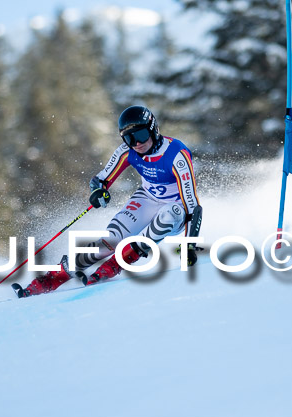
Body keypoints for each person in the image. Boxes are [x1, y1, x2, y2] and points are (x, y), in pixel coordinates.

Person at [13, 105, 203, 297]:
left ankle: (114, 265)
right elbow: (100, 180)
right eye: (129, 138)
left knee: (170, 215)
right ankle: (51, 279)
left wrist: (190, 244)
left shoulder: (176, 155)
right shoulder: (127, 151)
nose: (136, 143)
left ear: (153, 129)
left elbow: (192, 205)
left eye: (142, 135)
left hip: (176, 207)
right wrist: (98, 192)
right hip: (147, 199)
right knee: (110, 241)